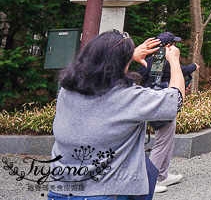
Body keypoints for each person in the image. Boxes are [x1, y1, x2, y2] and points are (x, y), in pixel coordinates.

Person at [47, 30, 184, 200]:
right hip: (106, 192)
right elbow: (175, 99)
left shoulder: (66, 91)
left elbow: (98, 69)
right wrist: (175, 62)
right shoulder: (128, 97)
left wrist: (126, 56)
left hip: (60, 191)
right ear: (122, 64)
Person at [135, 31, 197, 194]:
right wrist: (194, 67)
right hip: (162, 103)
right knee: (163, 140)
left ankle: (162, 174)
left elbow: (139, 76)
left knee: (168, 137)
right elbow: (183, 70)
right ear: (168, 46)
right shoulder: (168, 62)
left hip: (152, 102)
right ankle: (150, 180)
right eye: (173, 43)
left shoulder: (148, 60)